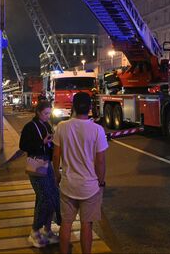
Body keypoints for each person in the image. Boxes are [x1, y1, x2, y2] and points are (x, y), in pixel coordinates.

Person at [53, 92, 108, 254]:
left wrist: (57, 175)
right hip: (90, 187)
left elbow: (56, 155)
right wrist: (101, 181)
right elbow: (100, 161)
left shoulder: (62, 127)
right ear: (90, 107)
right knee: (86, 225)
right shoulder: (97, 130)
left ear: (74, 107)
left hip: (68, 184)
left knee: (66, 224)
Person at [20, 100, 61, 248]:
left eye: (49, 113)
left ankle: (47, 229)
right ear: (38, 112)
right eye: (45, 113)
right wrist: (41, 142)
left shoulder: (46, 125)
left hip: (47, 165)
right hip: (36, 166)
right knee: (44, 198)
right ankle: (35, 231)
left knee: (53, 196)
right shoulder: (30, 127)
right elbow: (23, 146)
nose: (47, 116)